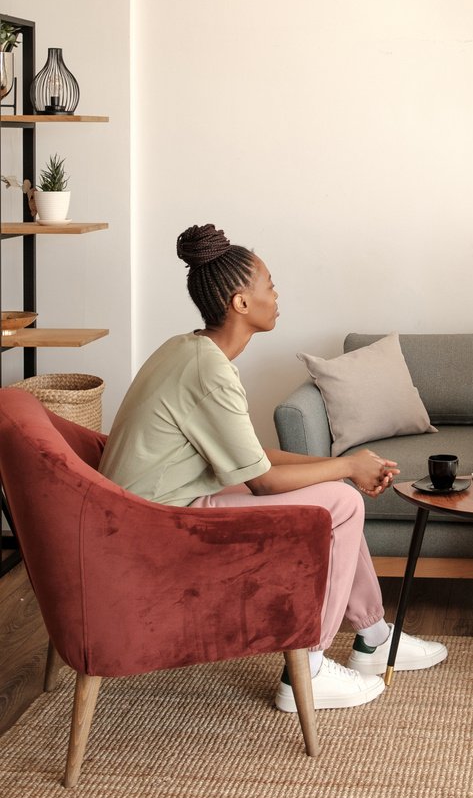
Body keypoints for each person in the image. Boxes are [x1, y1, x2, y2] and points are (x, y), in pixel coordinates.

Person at [99, 223, 447, 711]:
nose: (277, 295)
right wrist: (346, 469)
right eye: (270, 285)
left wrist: (342, 464)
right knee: (342, 503)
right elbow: (263, 482)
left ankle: (373, 637)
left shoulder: (190, 350)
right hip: (157, 528)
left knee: (337, 491)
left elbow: (253, 459)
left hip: (160, 507)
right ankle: (309, 667)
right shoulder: (209, 369)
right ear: (241, 302)